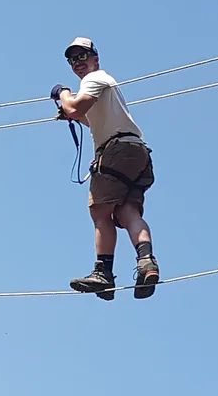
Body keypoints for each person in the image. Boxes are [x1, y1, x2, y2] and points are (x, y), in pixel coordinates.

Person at [51, 37, 159, 299]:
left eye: (83, 56)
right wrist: (70, 112)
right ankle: (146, 262)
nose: (78, 63)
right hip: (137, 153)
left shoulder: (94, 79)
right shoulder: (104, 86)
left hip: (117, 151)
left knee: (100, 210)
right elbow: (87, 119)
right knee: (126, 212)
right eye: (73, 59)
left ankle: (103, 273)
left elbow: (76, 108)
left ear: (95, 59)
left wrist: (63, 94)